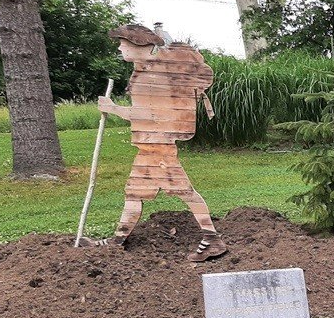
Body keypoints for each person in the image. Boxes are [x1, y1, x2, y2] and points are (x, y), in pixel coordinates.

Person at [79, 23, 226, 261]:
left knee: (186, 192)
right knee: (133, 194)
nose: (119, 48)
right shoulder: (142, 73)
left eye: (123, 43)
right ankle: (117, 241)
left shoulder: (152, 78)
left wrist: (113, 108)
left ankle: (212, 239)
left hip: (159, 149)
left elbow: (148, 114)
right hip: (149, 147)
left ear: (140, 46)